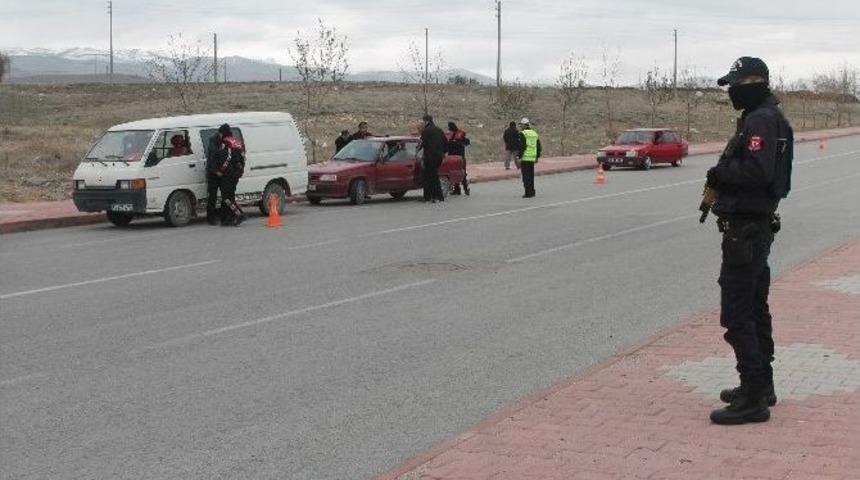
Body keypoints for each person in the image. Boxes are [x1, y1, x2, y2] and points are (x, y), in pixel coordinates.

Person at [706, 57, 794, 425]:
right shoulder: (769, 115)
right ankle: (762, 385)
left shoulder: (760, 118)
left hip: (747, 228)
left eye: (736, 85)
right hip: (756, 226)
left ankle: (753, 398)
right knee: (756, 307)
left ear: (755, 81)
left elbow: (758, 171)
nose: (732, 92)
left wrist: (720, 172)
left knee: (737, 311)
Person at [206, 124, 247, 226]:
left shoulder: (226, 143)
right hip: (236, 173)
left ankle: (239, 214)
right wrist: (240, 171)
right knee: (230, 196)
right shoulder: (236, 142)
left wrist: (221, 171)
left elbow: (227, 158)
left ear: (222, 133)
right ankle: (229, 218)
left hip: (228, 174)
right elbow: (243, 158)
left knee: (226, 198)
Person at [419, 114, 447, 203]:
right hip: (438, 157)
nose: (422, 123)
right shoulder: (439, 130)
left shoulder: (425, 131)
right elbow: (446, 142)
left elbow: (422, 144)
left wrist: (419, 153)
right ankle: (435, 196)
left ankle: (433, 197)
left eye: (423, 121)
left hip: (429, 157)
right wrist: (443, 153)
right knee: (433, 175)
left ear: (426, 121)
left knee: (429, 177)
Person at [517, 118, 541, 198]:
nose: (520, 126)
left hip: (525, 158)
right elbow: (538, 146)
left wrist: (519, 157)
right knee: (531, 176)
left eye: (521, 125)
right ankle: (532, 191)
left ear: (524, 125)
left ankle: (528, 193)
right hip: (532, 158)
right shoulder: (534, 133)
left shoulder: (522, 133)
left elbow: (522, 147)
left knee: (526, 176)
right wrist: (537, 156)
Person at [446, 122, 470, 196]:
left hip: (453, 157)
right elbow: (467, 142)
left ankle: (457, 189)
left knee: (455, 172)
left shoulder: (450, 135)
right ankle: (465, 189)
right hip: (460, 157)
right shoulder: (460, 134)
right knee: (462, 172)